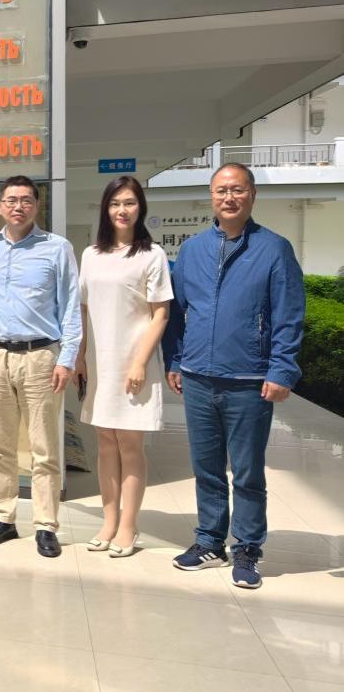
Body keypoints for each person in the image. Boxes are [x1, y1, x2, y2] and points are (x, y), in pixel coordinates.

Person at [164, 163, 304, 589]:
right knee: (206, 467)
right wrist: (176, 361)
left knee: (246, 472)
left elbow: (289, 316)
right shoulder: (192, 250)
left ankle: (247, 548)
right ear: (211, 196)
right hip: (198, 377)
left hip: (249, 380)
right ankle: (209, 541)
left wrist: (281, 369)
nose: (229, 197)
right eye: (221, 190)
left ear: (252, 195)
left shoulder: (274, 249)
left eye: (237, 190)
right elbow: (176, 314)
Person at [0, 176, 81, 558]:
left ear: (37, 205)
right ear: (0, 205)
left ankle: (46, 524)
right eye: (11, 200)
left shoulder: (57, 248)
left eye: (26, 200)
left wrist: (67, 358)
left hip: (41, 356)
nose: (19, 206)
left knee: (43, 447)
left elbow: (70, 306)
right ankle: (3, 517)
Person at [75, 177, 172, 557]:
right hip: (100, 363)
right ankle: (109, 520)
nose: (122, 210)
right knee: (105, 442)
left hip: (134, 362)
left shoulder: (152, 255)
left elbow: (161, 314)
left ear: (140, 208)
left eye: (129, 203)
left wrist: (139, 362)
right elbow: (83, 309)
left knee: (130, 445)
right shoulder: (91, 255)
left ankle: (129, 526)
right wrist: (80, 356)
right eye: (115, 203)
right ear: (105, 208)